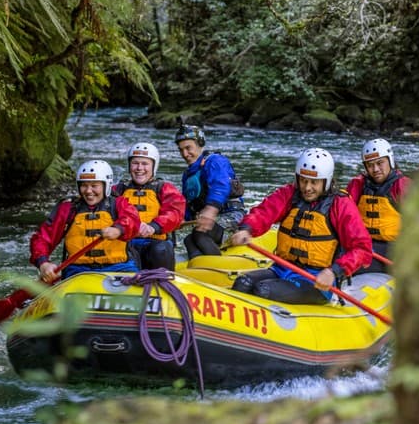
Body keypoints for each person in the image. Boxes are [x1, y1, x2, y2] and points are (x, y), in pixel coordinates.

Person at [229, 148, 372, 305]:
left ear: (327, 181)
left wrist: (335, 272)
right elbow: (265, 212)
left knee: (263, 290)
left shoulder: (341, 205)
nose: (307, 187)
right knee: (243, 283)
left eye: (314, 182)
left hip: (315, 281)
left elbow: (362, 249)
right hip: (281, 269)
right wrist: (247, 228)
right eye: (303, 180)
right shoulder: (289, 194)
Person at [30, 159, 141, 282]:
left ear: (106, 185)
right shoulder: (68, 209)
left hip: (120, 268)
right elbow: (43, 238)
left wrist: (119, 229)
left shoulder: (120, 204)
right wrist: (43, 263)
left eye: (94, 186)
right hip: (78, 270)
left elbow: (133, 220)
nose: (88, 191)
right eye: (84, 185)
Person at [175, 123, 246, 258]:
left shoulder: (215, 161)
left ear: (199, 143)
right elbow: (188, 203)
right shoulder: (188, 175)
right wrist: (181, 219)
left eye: (188, 148)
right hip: (213, 221)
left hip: (233, 216)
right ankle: (199, 269)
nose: (185, 154)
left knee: (199, 234)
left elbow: (221, 185)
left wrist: (210, 210)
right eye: (181, 150)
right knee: (188, 240)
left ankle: (219, 267)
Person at [113, 142, 186, 271]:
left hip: (154, 244)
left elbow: (174, 212)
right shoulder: (118, 190)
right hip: (126, 245)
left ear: (154, 166)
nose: (139, 168)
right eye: (135, 163)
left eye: (145, 164)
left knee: (162, 249)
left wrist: (154, 226)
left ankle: (163, 281)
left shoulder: (164, 188)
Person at [344, 138, 410, 273]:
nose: (375, 169)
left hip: (395, 250)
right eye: (370, 165)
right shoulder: (357, 185)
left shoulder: (402, 186)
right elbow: (342, 215)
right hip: (364, 249)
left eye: (380, 163)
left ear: (390, 161)